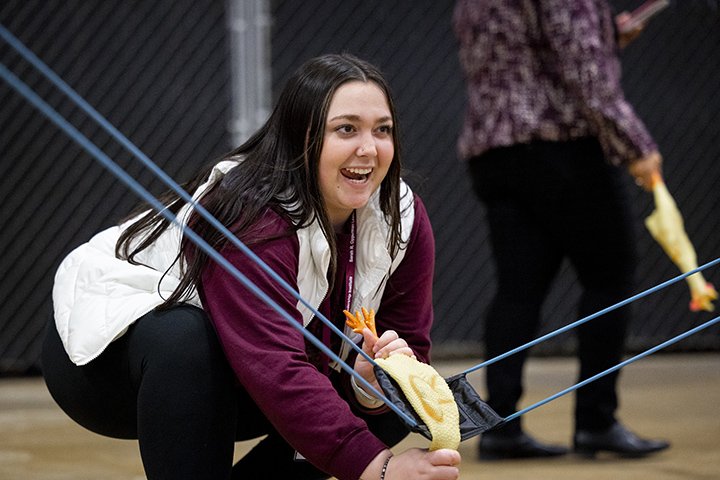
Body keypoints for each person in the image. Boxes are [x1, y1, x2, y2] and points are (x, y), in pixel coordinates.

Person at [42, 53, 462, 480]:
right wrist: (381, 470)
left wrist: (371, 386)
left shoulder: (401, 213)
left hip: (244, 372)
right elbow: (275, 366)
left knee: (391, 390)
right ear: (303, 137)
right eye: (346, 129)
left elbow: (411, 350)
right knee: (186, 338)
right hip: (107, 363)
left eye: (383, 130)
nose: (368, 149)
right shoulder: (250, 213)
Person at [453, 0, 671, 460]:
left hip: (494, 151)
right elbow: (584, 71)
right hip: (561, 146)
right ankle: (596, 421)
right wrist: (636, 144)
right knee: (611, 276)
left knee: (518, 289)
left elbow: (520, 50)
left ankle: (499, 427)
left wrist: (606, 34)